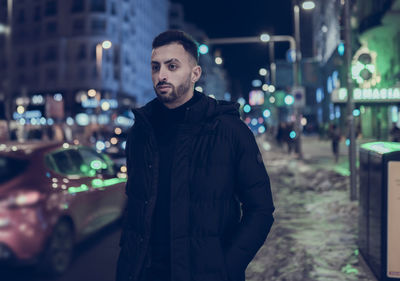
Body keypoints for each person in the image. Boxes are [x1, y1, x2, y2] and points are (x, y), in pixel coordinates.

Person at [116, 30, 275, 281]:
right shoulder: (140, 132)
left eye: (172, 66)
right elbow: (136, 206)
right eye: (155, 67)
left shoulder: (229, 130)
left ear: (195, 74)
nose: (162, 75)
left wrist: (227, 267)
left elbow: (261, 209)